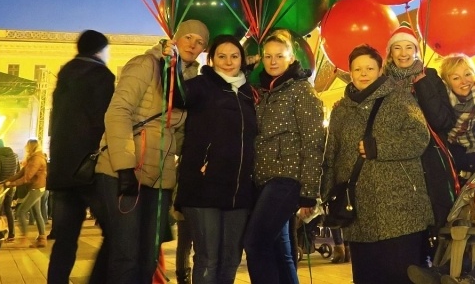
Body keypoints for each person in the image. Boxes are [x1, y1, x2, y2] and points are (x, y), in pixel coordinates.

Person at [96, 19, 208, 284]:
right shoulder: (146, 64)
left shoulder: (190, 81)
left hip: (159, 176)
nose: (193, 44)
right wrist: (124, 167)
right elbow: (118, 112)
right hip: (123, 171)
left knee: (147, 257)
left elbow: (180, 136)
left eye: (200, 41)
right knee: (126, 254)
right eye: (189, 37)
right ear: (176, 37)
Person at [323, 44, 433, 284]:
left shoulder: (399, 98)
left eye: (369, 68)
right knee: (366, 276)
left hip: (399, 207)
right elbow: (332, 153)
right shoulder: (341, 110)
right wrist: (327, 192)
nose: (363, 73)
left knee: (401, 274)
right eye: (357, 69)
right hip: (358, 210)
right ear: (350, 72)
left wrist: (380, 147)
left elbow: (419, 137)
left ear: (380, 69)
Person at [243, 30, 324, 284]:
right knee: (280, 248)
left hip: (287, 179)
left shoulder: (301, 91)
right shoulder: (265, 93)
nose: (273, 61)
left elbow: (313, 141)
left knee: (255, 242)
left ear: (291, 58)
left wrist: (309, 190)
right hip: (262, 179)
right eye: (267, 56)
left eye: (280, 55)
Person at [176, 34, 257, 284]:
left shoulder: (249, 92)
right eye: (221, 56)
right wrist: (171, 64)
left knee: (231, 257)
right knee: (208, 257)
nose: (228, 61)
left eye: (234, 56)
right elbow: (177, 95)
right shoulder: (202, 85)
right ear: (211, 59)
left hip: (240, 189)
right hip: (203, 186)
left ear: (242, 60)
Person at [47, 29, 115, 284]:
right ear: (100, 50)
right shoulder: (101, 76)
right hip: (89, 169)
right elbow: (104, 119)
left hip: (62, 172)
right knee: (115, 231)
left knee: (65, 240)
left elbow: (56, 123)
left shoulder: (64, 75)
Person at [383, 26, 458, 228]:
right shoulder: (384, 83)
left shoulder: (430, 77)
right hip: (401, 158)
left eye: (409, 47)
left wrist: (422, 85)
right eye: (397, 48)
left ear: (416, 50)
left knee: (440, 209)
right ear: (390, 52)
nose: (404, 53)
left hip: (432, 155)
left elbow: (443, 120)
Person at [440, 55, 475, 179]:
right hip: (461, 170)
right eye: (456, 78)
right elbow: (448, 150)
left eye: (467, 74)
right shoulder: (442, 107)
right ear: (448, 82)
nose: (464, 81)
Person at [6, 138, 49, 247]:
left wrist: (11, 184)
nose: (25, 148)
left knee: (21, 211)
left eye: (27, 146)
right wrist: (8, 180)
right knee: (36, 212)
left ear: (31, 146)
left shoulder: (36, 159)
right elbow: (21, 172)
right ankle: (42, 238)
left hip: (36, 187)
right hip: (36, 187)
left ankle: (24, 239)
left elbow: (27, 177)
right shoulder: (33, 158)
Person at [0, 138, 19, 242]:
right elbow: (18, 171)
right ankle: (12, 234)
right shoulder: (15, 156)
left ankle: (1, 233)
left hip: (1, 186)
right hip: (12, 186)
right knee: (8, 209)